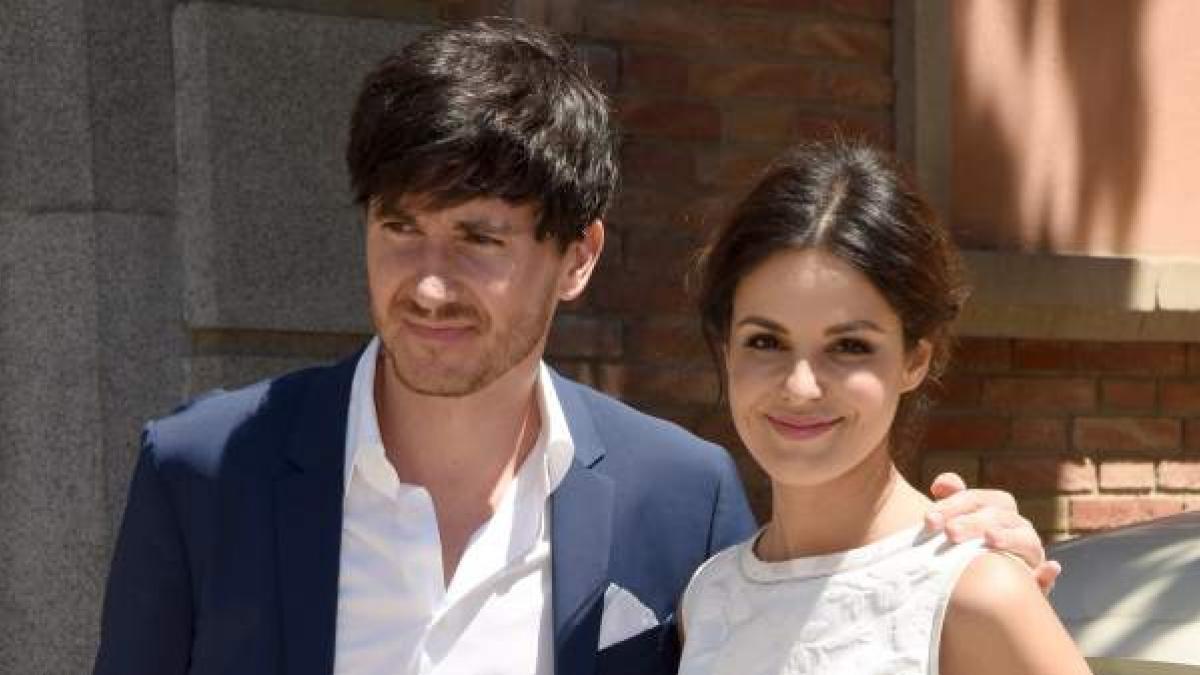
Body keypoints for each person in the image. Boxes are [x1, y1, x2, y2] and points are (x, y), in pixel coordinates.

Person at [93, 19, 1056, 675]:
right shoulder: (203, 471)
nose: (429, 284)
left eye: (480, 238)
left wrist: (975, 567)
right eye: (400, 228)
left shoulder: (681, 495)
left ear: (578, 255)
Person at [679, 139, 1089, 674]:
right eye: (765, 341)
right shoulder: (709, 598)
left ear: (915, 359)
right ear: (725, 347)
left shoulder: (976, 595)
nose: (801, 386)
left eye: (849, 346)